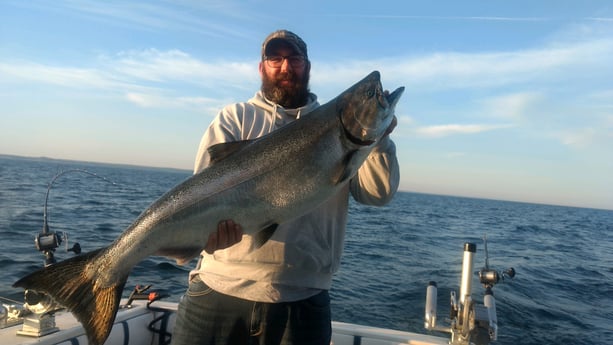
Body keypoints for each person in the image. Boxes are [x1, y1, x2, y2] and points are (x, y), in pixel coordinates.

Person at [171, 29, 400, 345]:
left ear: (307, 66)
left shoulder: (340, 129)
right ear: (261, 67)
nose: (285, 66)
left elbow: (376, 195)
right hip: (218, 291)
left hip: (304, 299)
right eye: (275, 58)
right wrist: (205, 235)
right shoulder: (234, 118)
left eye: (294, 58)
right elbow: (200, 196)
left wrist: (379, 140)